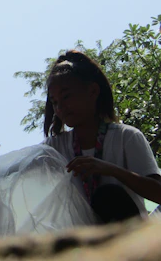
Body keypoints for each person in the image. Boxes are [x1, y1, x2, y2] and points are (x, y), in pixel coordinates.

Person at [43, 50, 161, 223]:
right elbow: (20, 167)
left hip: (130, 240)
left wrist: (111, 169)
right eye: (54, 102)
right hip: (83, 245)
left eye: (66, 96)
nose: (60, 107)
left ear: (92, 91)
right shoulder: (54, 146)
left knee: (108, 196)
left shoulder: (126, 137)